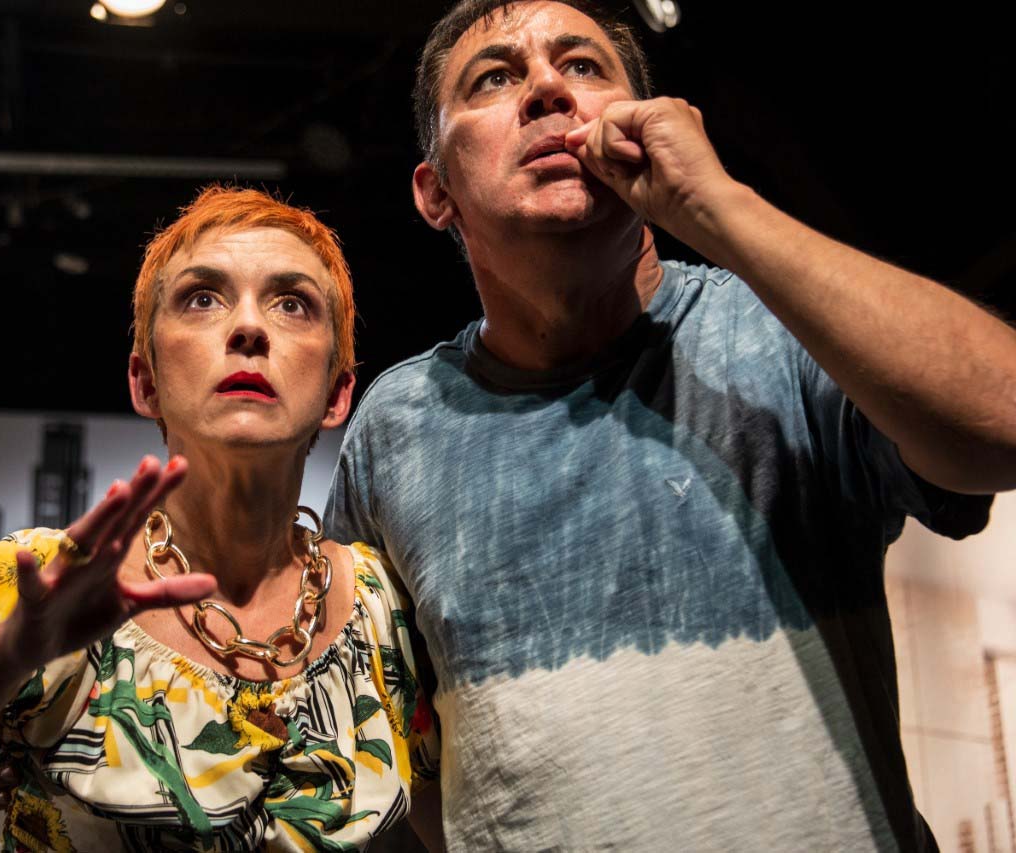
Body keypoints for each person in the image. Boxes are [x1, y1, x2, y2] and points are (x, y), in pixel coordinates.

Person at [322, 0, 1016, 850]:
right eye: (494, 78)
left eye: (583, 66)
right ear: (436, 192)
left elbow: (1004, 423)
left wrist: (714, 202)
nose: (547, 88)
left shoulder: (781, 332)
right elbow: (386, 756)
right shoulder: (395, 429)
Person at [0, 187, 440, 853]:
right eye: (203, 298)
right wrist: (6, 660)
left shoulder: (383, 614)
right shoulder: (41, 582)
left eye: (292, 303)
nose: (249, 328)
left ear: (338, 393)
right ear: (146, 381)